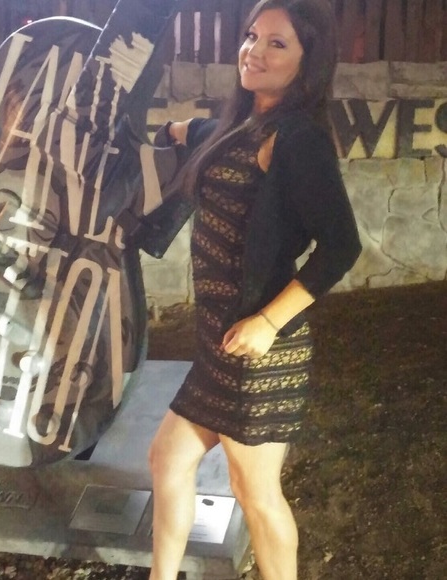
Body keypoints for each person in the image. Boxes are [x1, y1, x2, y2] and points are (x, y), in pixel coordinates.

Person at [142, 0, 362, 579]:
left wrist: (267, 323)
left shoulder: (298, 139)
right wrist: (165, 135)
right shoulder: (236, 128)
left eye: (276, 43)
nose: (254, 51)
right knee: (167, 460)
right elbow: (185, 133)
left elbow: (342, 246)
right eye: (251, 36)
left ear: (308, 61)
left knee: (255, 493)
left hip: (261, 351)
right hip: (218, 345)